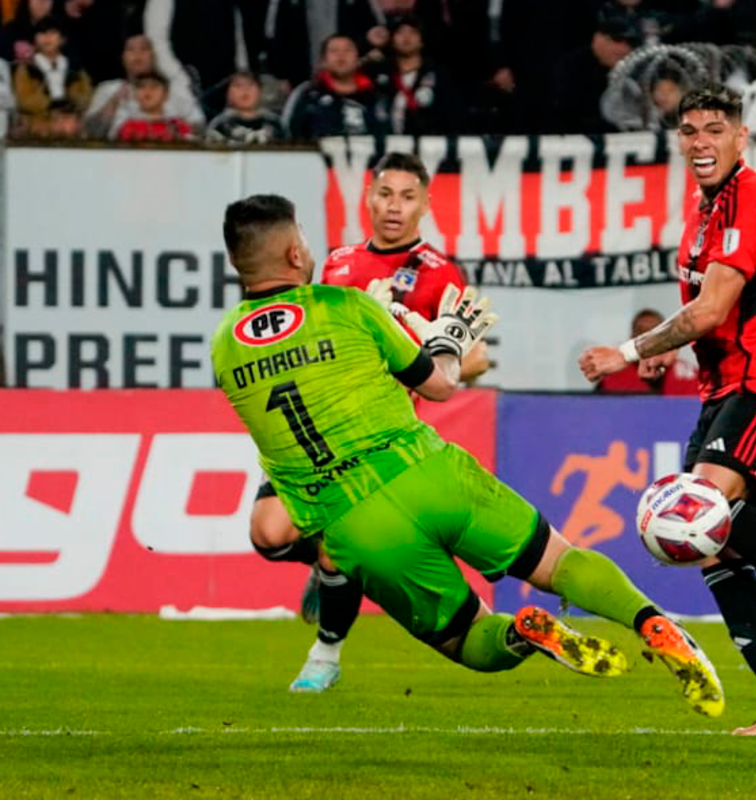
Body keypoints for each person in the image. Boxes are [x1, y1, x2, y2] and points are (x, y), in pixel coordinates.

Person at [212, 194, 725, 720]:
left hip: (358, 525)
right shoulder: (347, 307)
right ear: (296, 253)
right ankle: (650, 621)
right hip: (429, 472)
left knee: (469, 641)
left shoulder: (225, 347)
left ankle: (524, 631)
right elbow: (438, 387)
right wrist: (449, 339)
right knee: (560, 562)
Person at [579, 86, 756, 737]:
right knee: (708, 548)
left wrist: (626, 352)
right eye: (690, 131)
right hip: (728, 391)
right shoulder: (708, 209)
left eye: (715, 129)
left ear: (742, 138)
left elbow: (709, 311)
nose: (701, 141)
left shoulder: (748, 199)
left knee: (705, 512)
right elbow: (709, 315)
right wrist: (667, 351)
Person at [252, 151, 491, 693]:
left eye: (408, 197)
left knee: (340, 544)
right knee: (268, 534)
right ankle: (337, 567)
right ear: (368, 196)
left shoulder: (438, 274)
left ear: (426, 205)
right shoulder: (336, 263)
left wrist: (409, 339)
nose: (394, 207)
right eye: (386, 194)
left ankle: (325, 654)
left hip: (374, 434)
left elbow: (473, 357)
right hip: (311, 425)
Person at [83, 34, 204, 140]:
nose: (137, 55)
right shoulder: (108, 89)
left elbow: (200, 127)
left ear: (154, 56)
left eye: (144, 49)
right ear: (123, 57)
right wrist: (114, 101)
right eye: (130, 49)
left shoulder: (175, 89)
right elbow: (91, 133)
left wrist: (172, 129)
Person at [282, 33, 386, 141]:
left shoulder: (374, 94)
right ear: (323, 61)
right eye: (334, 51)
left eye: (347, 50)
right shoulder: (306, 94)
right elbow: (289, 131)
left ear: (358, 58)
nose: (341, 56)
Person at [12, 18, 91, 137]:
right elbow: (23, 99)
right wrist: (49, 105)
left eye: (52, 33)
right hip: (38, 122)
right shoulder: (26, 68)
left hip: (70, 121)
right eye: (41, 33)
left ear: (63, 39)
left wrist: (71, 103)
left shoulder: (75, 68)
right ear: (34, 39)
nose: (46, 37)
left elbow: (86, 96)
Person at [595, 308, 698, 395]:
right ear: (631, 338)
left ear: (665, 335)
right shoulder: (613, 378)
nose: (647, 337)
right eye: (641, 331)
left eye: (654, 330)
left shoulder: (690, 375)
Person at [110, 71, 195, 142]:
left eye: (154, 86)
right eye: (142, 86)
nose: (147, 91)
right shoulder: (127, 127)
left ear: (166, 94)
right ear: (135, 94)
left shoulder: (179, 126)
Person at [207, 71, 286, 145]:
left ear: (260, 90)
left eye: (250, 84)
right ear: (228, 94)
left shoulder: (275, 124)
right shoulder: (220, 126)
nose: (245, 90)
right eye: (238, 85)